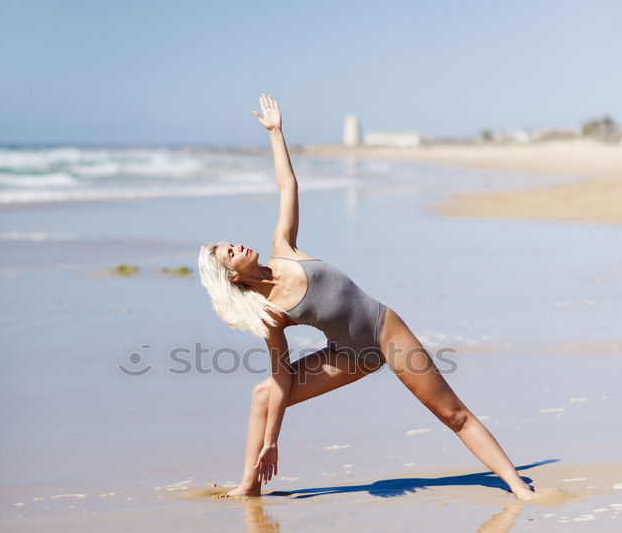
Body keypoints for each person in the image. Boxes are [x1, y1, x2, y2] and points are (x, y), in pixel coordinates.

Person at [198, 94, 535, 501]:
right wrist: (273, 439)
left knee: (452, 413)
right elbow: (282, 374)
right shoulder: (269, 314)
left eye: (232, 244)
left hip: (385, 329)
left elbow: (288, 184)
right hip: (348, 358)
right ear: (231, 278)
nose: (238, 246)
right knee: (263, 394)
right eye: (230, 253)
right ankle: (249, 485)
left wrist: (276, 132)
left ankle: (519, 487)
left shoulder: (283, 248)